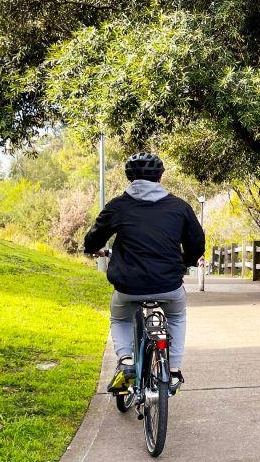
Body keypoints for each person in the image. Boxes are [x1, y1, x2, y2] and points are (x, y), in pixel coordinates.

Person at [84, 152, 205, 392]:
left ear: (129, 177)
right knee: (177, 317)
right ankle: (173, 370)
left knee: (120, 318)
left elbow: (94, 238)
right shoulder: (180, 207)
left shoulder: (118, 206)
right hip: (169, 285)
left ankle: (126, 362)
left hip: (128, 287)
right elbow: (197, 244)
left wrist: (93, 249)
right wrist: (183, 264)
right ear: (160, 176)